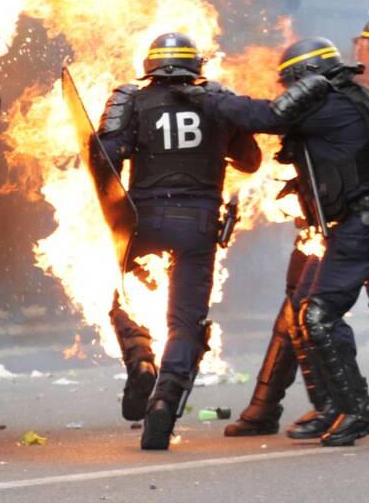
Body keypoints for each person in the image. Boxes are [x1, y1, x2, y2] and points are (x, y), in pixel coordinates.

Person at [189, 37, 369, 446]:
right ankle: (335, 407)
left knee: (319, 314)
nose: (287, 93)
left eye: (289, 84)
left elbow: (261, 116)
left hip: (362, 224)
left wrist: (205, 92)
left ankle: (360, 409)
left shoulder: (327, 101)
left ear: (304, 77)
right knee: (304, 308)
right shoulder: (351, 96)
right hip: (358, 221)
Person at [94, 32, 261, 450]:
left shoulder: (132, 99)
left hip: (144, 220)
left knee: (123, 301)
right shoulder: (218, 102)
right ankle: (166, 400)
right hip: (199, 225)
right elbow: (251, 160)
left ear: (150, 66)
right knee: (185, 323)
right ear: (195, 67)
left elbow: (105, 156)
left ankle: (140, 358)